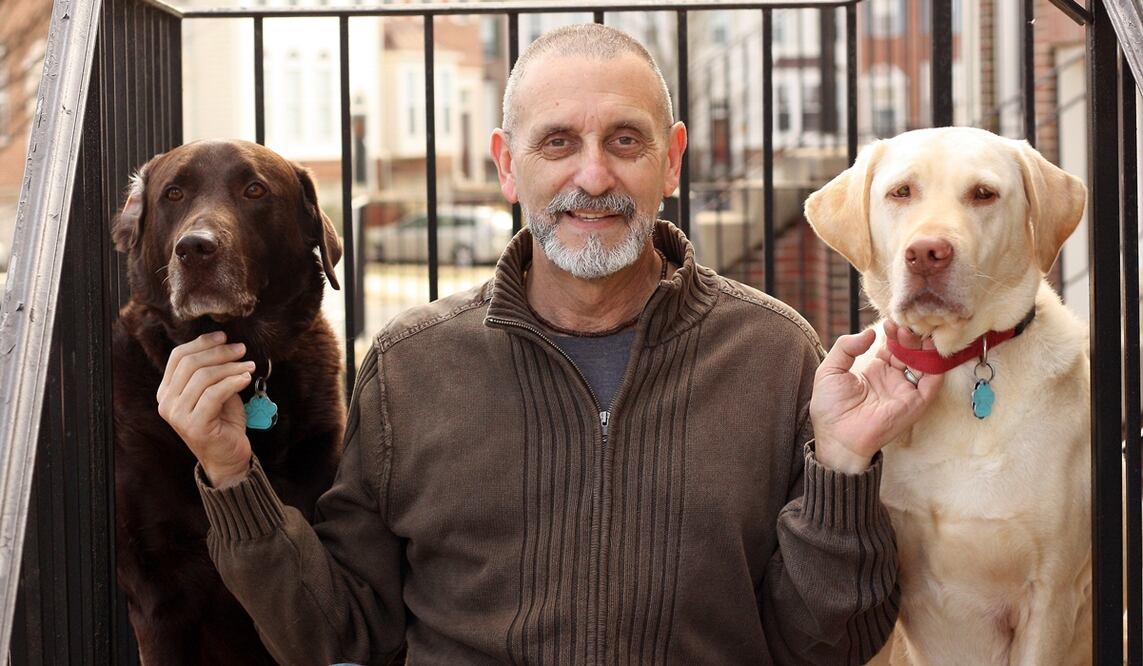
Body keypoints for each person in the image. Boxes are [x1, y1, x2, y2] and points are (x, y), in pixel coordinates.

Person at [157, 24, 942, 665]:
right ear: (507, 164)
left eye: (624, 142)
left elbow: (825, 645)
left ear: (669, 160)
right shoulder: (410, 367)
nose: (592, 176)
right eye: (558, 143)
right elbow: (342, 636)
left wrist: (840, 468)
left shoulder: (774, 353)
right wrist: (233, 476)